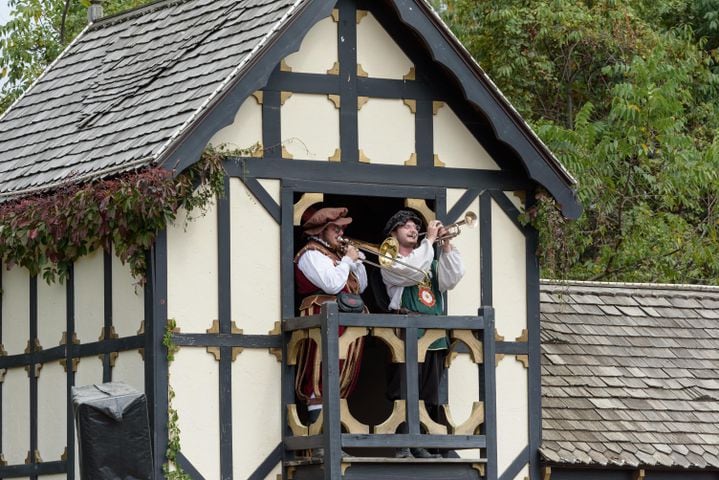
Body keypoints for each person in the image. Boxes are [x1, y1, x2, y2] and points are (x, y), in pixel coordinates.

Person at [381, 209, 465, 459]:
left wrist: (446, 245)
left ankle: (423, 444)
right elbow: (414, 271)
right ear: (393, 233)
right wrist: (429, 240)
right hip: (407, 331)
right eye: (405, 225)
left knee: (429, 392)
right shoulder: (390, 259)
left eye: (415, 225)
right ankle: (403, 445)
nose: (412, 229)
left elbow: (452, 278)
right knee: (405, 389)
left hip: (434, 333)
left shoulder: (428, 258)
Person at [294, 207, 367, 443]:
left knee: (339, 380)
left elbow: (360, 287)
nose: (341, 232)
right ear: (321, 229)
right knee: (319, 377)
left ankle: (332, 440)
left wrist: (356, 264)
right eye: (336, 228)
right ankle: (319, 442)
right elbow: (332, 285)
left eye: (342, 228)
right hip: (323, 322)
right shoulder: (311, 253)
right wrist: (346, 261)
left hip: (344, 323)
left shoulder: (336, 255)